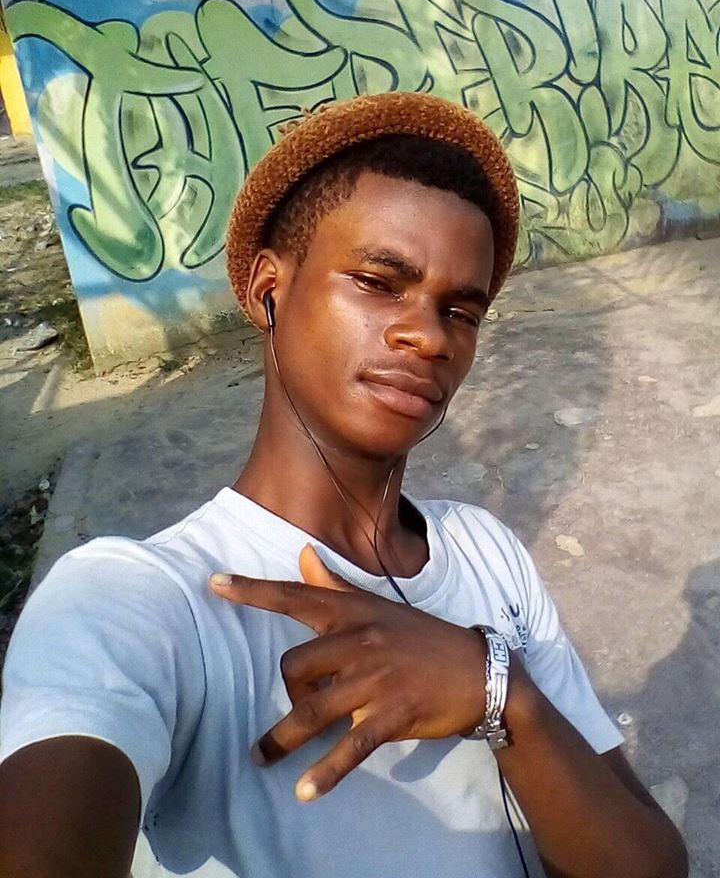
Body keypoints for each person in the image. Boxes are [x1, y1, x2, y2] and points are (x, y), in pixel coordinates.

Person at [0, 93, 686, 878]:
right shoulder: (146, 600)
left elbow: (652, 864)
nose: (428, 335)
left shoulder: (488, 555)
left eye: (460, 311)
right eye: (377, 281)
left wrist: (500, 691)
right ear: (269, 290)